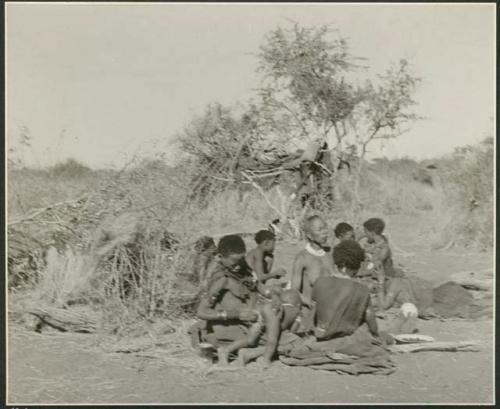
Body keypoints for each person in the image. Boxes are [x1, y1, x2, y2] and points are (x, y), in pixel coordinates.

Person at [195, 234, 282, 365]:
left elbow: (260, 287)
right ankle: (259, 354)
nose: (238, 267)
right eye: (234, 263)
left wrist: (273, 295)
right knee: (282, 339)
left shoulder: (244, 270)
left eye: (241, 261)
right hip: (229, 327)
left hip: (250, 321)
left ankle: (256, 352)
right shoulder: (220, 279)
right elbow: (201, 312)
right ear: (221, 257)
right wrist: (235, 315)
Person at [311, 240, 379, 340]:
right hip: (343, 337)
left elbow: (315, 308)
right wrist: (376, 336)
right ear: (356, 265)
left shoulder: (319, 282)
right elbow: (369, 316)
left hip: (320, 334)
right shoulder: (361, 289)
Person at [290, 215, 336, 307]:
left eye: (325, 228)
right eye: (319, 230)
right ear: (309, 235)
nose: (325, 232)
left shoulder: (330, 253)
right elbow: (294, 291)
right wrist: (309, 302)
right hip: (312, 310)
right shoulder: (302, 258)